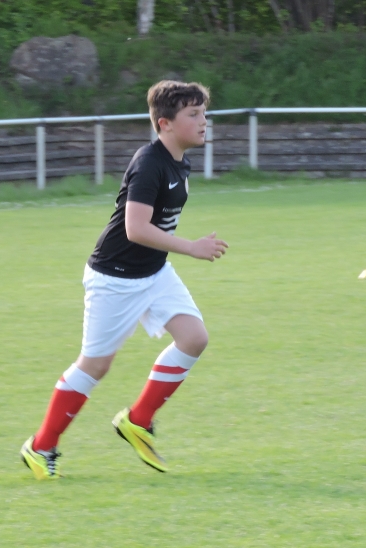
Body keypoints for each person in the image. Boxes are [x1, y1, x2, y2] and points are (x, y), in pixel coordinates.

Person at [20, 80, 229, 479]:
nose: (204, 121)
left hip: (154, 272)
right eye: (194, 114)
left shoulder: (179, 161)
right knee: (95, 366)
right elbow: (135, 228)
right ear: (165, 123)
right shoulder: (150, 163)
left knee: (193, 338)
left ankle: (138, 421)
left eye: (204, 113)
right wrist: (191, 247)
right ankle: (41, 446)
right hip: (114, 278)